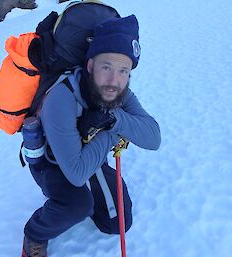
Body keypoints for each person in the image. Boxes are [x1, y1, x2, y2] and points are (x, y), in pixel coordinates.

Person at [21, 14, 161, 257]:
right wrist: (110, 134)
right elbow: (75, 173)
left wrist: (115, 120)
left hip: (89, 158)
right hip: (52, 164)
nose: (114, 80)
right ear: (90, 65)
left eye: (123, 71)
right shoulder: (61, 98)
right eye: (106, 67)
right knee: (78, 204)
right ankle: (36, 232)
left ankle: (82, 199)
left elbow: (153, 137)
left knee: (117, 224)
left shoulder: (119, 92)